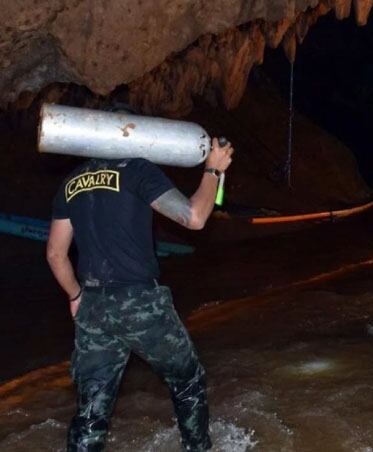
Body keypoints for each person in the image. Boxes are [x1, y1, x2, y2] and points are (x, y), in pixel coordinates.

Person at [46, 104, 233, 452]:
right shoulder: (136, 170)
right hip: (139, 302)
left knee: (91, 410)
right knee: (187, 380)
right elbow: (193, 217)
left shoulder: (70, 183)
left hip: (93, 308)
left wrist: (75, 296)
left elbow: (56, 254)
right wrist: (212, 170)